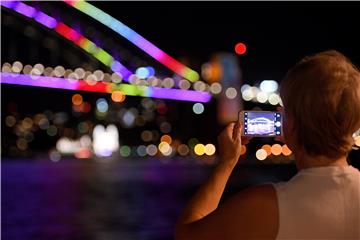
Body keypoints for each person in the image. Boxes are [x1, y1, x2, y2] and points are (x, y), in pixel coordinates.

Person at [175, 50, 360, 240]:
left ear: (294, 124)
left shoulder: (265, 205)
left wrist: (227, 162)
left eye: (285, 109)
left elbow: (186, 234)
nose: (279, 111)